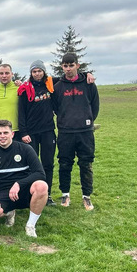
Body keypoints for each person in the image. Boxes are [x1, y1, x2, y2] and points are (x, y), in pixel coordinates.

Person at [0, 120, 48, 238]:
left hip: (24, 189)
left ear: (12, 134)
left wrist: (18, 183)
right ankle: (9, 212)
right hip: (3, 191)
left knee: (42, 186)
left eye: (5, 133)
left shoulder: (26, 149)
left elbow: (40, 173)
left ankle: (30, 225)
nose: (2, 136)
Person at [52, 52, 100, 210]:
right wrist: (65, 120)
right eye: (65, 66)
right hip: (65, 132)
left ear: (77, 66)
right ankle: (65, 194)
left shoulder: (88, 84)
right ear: (62, 67)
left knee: (86, 164)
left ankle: (87, 196)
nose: (68, 69)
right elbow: (56, 107)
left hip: (85, 132)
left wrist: (87, 120)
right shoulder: (58, 87)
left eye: (71, 65)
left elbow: (95, 105)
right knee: (64, 163)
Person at [18, 60, 57, 205]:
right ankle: (32, 194)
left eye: (39, 71)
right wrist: (23, 132)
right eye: (34, 71)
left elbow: (68, 77)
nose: (37, 74)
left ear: (44, 71)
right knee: (32, 165)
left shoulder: (51, 85)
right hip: (31, 133)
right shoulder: (25, 89)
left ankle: (47, 194)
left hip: (48, 131)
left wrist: (86, 74)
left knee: (48, 163)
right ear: (31, 73)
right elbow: (21, 112)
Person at [0, 64, 19, 136]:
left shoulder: (19, 88)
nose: (4, 76)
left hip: (16, 130)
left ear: (12, 74)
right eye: (1, 73)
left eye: (7, 73)